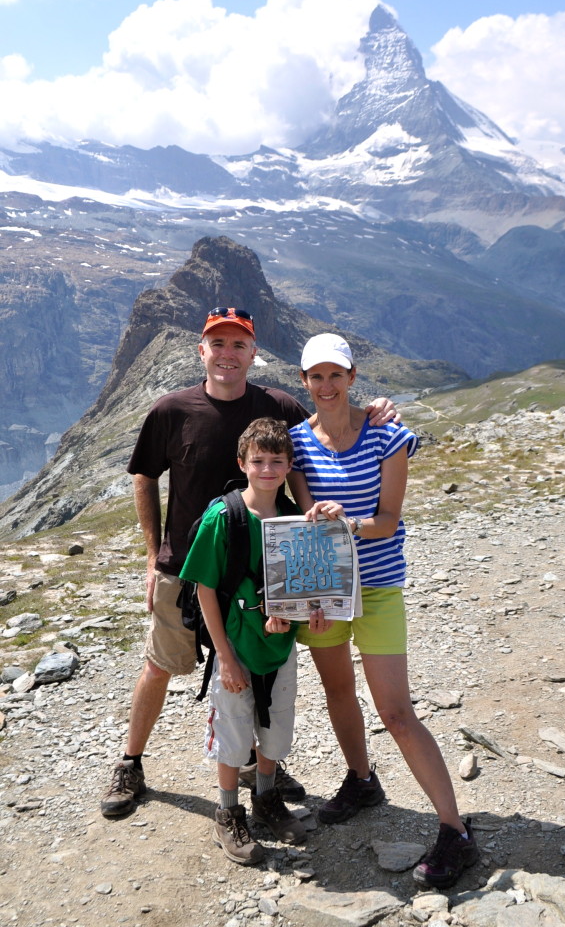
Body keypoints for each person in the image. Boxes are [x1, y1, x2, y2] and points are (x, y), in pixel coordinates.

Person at [100, 307, 397, 818]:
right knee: (162, 663)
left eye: (239, 345)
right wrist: (153, 556)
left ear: (254, 354)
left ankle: (262, 767)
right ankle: (130, 761)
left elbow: (328, 420)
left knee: (259, 663)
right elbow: (144, 476)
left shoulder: (279, 404)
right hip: (185, 564)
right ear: (202, 351)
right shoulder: (171, 410)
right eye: (218, 344)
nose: (228, 354)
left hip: (261, 571)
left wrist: (375, 411)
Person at [287, 332, 480, 891]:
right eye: (315, 377)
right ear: (304, 382)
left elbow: (389, 520)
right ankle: (361, 779)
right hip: (326, 587)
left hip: (377, 588)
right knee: (338, 691)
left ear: (352, 378)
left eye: (335, 375)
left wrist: (342, 523)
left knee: (396, 713)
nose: (326, 386)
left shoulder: (388, 434)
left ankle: (454, 829)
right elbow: (306, 523)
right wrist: (312, 594)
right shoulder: (297, 443)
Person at [179, 417, 329, 863]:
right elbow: (205, 587)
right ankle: (228, 814)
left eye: (276, 461)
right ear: (241, 462)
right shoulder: (222, 516)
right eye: (258, 460)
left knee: (276, 726)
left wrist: (305, 621)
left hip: (278, 648)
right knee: (233, 731)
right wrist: (223, 656)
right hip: (235, 650)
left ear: (288, 467)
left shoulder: (294, 520)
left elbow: (302, 586)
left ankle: (266, 799)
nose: (267, 469)